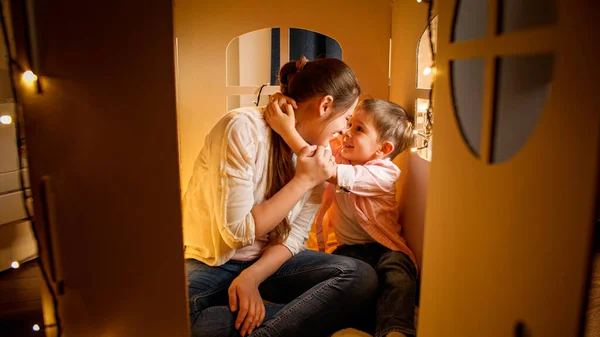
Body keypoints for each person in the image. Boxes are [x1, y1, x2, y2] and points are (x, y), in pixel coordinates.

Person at [183, 56, 378, 337]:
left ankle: (274, 324)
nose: (343, 131)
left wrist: (252, 276)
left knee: (361, 277)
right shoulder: (242, 129)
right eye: (346, 118)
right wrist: (303, 180)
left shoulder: (317, 154)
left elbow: (294, 235)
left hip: (269, 264)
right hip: (212, 261)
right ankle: (297, 321)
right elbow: (236, 234)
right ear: (325, 106)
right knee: (182, 321)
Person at [265, 97, 418, 337]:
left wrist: (285, 131)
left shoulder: (384, 174)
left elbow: (324, 169)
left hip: (384, 248)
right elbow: (316, 136)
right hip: (351, 251)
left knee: (398, 274)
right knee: (347, 282)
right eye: (350, 124)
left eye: (359, 129)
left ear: (384, 149)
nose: (346, 133)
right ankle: (361, 320)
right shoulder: (342, 153)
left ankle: (395, 329)